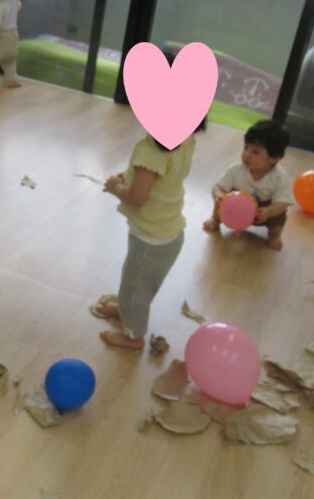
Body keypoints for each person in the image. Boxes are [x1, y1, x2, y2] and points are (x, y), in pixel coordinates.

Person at [95, 119, 207, 349]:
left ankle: (133, 336)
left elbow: (137, 198)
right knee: (136, 282)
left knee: (134, 289)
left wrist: (116, 188)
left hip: (151, 239)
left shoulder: (151, 151)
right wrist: (132, 178)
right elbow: (162, 177)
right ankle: (126, 311)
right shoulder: (184, 138)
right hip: (165, 231)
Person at [203, 119, 292, 250]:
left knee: (279, 215)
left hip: (261, 212)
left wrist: (269, 211)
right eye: (246, 147)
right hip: (235, 206)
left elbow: (283, 202)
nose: (246, 154)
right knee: (221, 202)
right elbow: (218, 187)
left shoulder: (280, 178)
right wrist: (219, 195)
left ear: (273, 158)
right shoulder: (236, 170)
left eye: (255, 152)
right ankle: (215, 219)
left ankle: (274, 236)